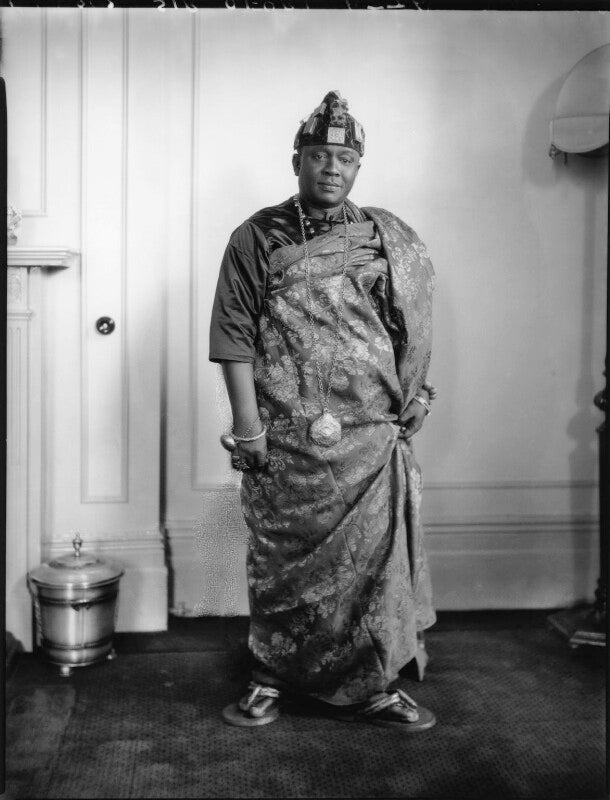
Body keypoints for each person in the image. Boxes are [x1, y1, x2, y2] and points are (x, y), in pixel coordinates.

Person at [209, 90, 437, 731]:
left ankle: (371, 684)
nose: (331, 168)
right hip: (285, 437)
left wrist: (419, 395)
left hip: (368, 438)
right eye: (318, 156)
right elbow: (233, 336)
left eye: (344, 158)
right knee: (283, 562)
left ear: (358, 166)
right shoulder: (258, 236)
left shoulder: (383, 237)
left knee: (369, 569)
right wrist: (248, 428)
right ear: (297, 162)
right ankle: (271, 677)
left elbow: (411, 327)